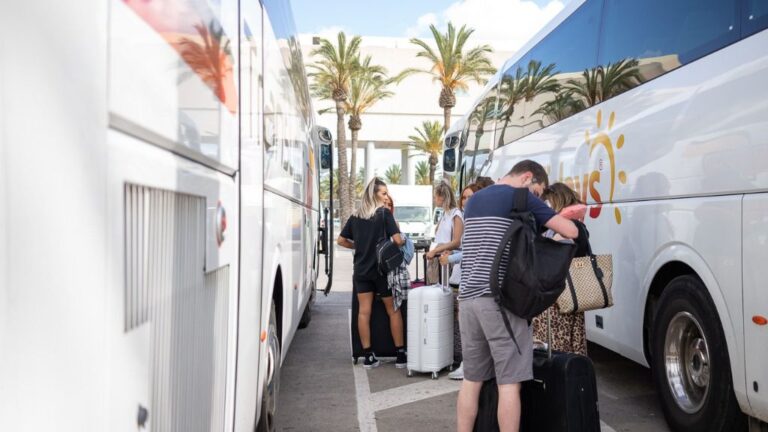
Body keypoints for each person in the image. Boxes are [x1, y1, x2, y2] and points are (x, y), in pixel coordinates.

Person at [456, 160, 578, 432]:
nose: (536, 198)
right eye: (538, 191)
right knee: (510, 382)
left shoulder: (474, 201)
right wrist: (571, 216)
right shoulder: (520, 197)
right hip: (499, 302)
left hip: (467, 300)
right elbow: (569, 231)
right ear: (527, 178)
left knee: (472, 380)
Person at [337, 178, 407, 369]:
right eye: (384, 193)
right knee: (393, 310)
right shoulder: (384, 214)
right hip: (381, 271)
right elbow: (399, 241)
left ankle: (368, 356)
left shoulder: (356, 216)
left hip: (361, 271)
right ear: (374, 194)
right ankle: (400, 355)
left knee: (364, 312)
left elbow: (341, 240)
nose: (387, 197)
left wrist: (358, 246)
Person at [532, 183, 589, 356]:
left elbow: (551, 255)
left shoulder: (567, 228)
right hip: (572, 296)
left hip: (558, 299)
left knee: (556, 349)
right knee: (572, 346)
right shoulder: (579, 225)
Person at [440, 182, 484, 380]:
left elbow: (472, 252)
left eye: (470, 197)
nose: (466, 201)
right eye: (464, 197)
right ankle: (469, 363)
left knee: (470, 326)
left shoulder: (475, 220)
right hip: (466, 277)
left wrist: (450, 257)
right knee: (468, 325)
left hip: (474, 279)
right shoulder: (471, 218)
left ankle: (469, 365)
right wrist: (454, 253)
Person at [426, 182, 463, 284]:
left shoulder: (456, 214)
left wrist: (435, 250)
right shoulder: (445, 213)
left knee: (444, 294)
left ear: (442, 197)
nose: (434, 199)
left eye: (435, 197)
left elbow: (456, 242)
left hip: (447, 260)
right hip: (438, 258)